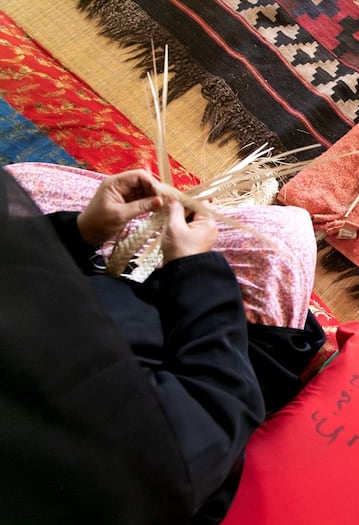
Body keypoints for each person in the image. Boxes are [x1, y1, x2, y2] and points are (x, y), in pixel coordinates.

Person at [0, 163, 325, 524]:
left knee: (25, 180)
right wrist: (195, 268)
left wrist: (80, 232)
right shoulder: (90, 468)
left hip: (80, 302)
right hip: (192, 354)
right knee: (286, 236)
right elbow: (215, 405)